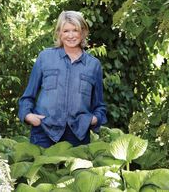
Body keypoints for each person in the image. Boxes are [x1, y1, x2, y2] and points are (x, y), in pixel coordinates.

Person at [18, 11, 107, 148]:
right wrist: (29, 117)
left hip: (78, 136)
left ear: (83, 32)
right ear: (59, 33)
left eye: (75, 30)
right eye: (66, 31)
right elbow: (27, 97)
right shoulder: (45, 57)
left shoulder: (93, 65)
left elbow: (99, 106)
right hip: (43, 133)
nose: (70, 35)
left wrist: (93, 120)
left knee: (76, 170)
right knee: (43, 170)